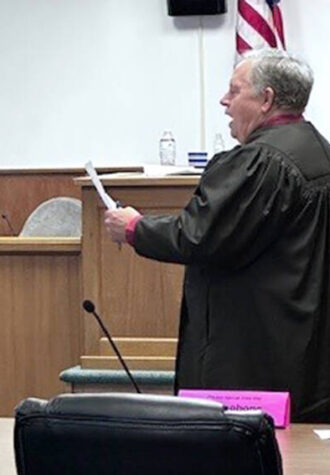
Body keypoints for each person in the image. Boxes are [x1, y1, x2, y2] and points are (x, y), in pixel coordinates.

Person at [104, 48, 330, 422]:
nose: (224, 101)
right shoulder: (320, 152)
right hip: (308, 348)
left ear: (267, 99)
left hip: (254, 355)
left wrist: (134, 228)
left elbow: (200, 235)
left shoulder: (259, 162)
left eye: (234, 90)